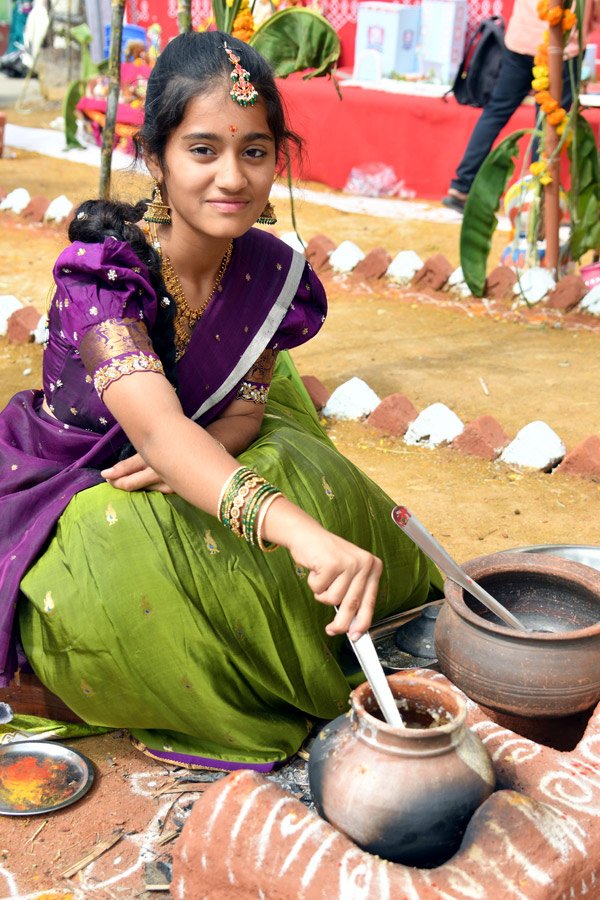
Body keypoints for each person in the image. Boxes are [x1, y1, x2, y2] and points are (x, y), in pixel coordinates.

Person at [0, 31, 442, 771]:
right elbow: (161, 428)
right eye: (202, 150)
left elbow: (237, 413)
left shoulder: (271, 275)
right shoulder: (104, 279)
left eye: (256, 152)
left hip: (190, 449)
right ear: (156, 159)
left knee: (297, 465)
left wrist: (198, 466)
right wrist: (294, 532)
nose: (232, 178)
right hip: (73, 477)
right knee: (130, 543)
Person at [442, 0, 598, 214]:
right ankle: (535, 199)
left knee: (496, 111)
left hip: (521, 40)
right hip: (561, 48)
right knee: (547, 123)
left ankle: (462, 186)